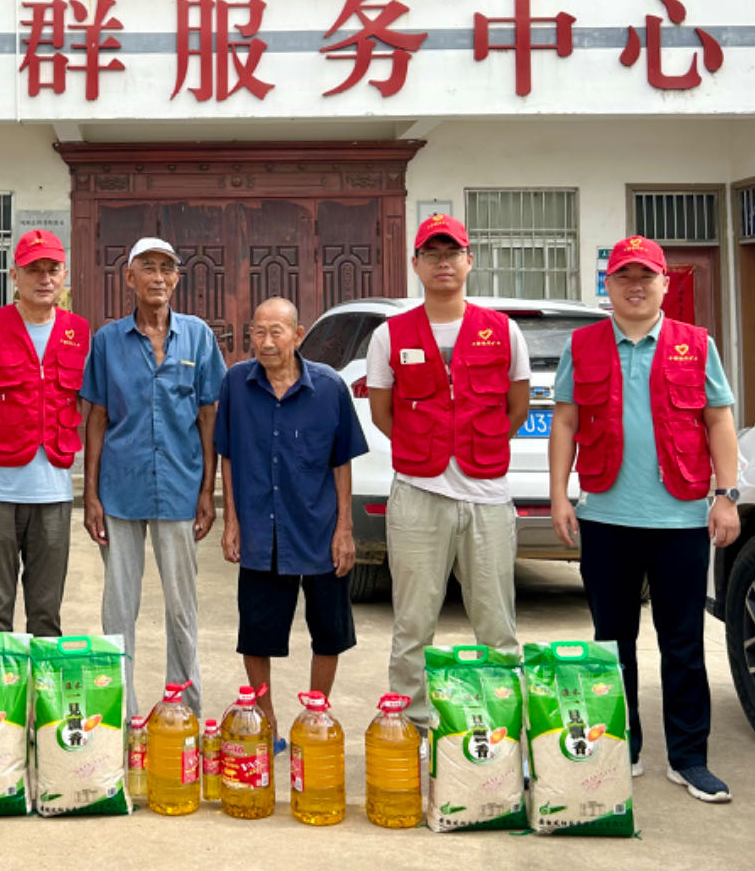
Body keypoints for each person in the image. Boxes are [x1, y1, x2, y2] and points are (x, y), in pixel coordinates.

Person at [548, 234, 741, 804]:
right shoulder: (582, 344)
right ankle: (622, 746)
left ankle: (689, 758)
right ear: (607, 285)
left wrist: (727, 495)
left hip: (680, 520)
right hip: (606, 517)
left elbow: (719, 421)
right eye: (623, 277)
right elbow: (565, 421)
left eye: (646, 277)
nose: (635, 287)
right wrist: (559, 496)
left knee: (682, 644)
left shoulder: (695, 344)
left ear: (664, 284)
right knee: (613, 642)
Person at [365, 212, 530, 732]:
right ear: (415, 264)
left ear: (469, 261)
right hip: (418, 494)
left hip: (488, 498)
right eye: (432, 254)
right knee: (413, 624)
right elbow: (382, 413)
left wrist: (477, 445)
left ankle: (502, 729)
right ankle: (410, 726)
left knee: (497, 624)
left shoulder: (503, 331)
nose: (443, 263)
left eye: (452, 253)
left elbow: (517, 408)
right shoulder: (390, 335)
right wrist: (427, 447)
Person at [81, 236, 225, 719]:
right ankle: (121, 713)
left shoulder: (198, 337)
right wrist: (91, 495)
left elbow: (208, 415)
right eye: (148, 267)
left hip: (181, 487)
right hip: (120, 488)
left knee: (182, 607)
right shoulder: (108, 341)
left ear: (177, 278)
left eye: (167, 268)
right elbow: (97, 417)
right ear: (130, 277)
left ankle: (183, 711)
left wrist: (208, 490)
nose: (158, 277)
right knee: (119, 606)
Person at [217, 298, 367, 739]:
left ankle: (315, 717)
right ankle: (267, 721)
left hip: (318, 527)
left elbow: (341, 462)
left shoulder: (330, 387)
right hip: (261, 530)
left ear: (298, 336)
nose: (266, 342)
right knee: (256, 632)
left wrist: (345, 529)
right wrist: (231, 521)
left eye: (276, 332)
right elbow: (227, 454)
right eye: (258, 332)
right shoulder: (236, 384)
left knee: (329, 631)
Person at [0, 229, 90, 636]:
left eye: (52, 269)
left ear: (64, 274)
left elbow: (88, 405)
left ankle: (42, 682)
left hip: (53, 493)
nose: (44, 279)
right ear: (15, 275)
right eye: (33, 270)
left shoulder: (78, 331)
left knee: (47, 614)